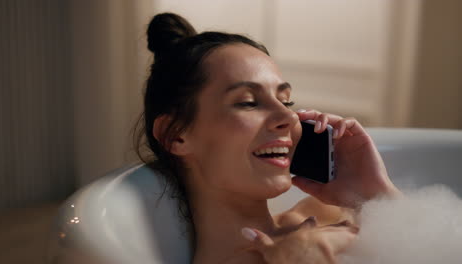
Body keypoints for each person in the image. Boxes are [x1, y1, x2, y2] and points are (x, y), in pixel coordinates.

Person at [134, 13, 402, 264]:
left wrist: (374, 193)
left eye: (286, 101)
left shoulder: (323, 211)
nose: (288, 116)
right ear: (176, 135)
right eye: (248, 103)